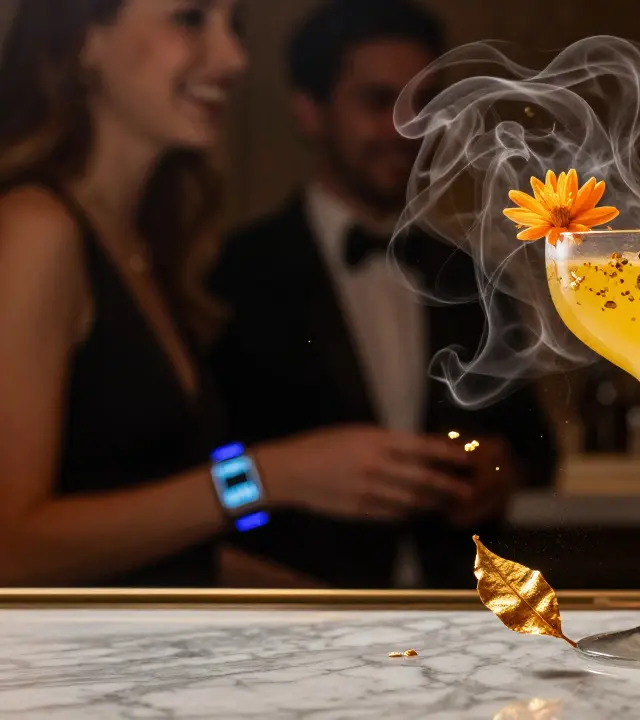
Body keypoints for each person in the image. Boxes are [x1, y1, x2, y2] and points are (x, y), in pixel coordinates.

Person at [0, 0, 476, 588]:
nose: (233, 58)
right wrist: (271, 475)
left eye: (235, 28)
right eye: (191, 20)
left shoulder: (146, 246)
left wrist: (338, 614)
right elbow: (11, 546)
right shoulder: (37, 228)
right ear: (83, 42)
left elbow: (166, 552)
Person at [209, 0, 556, 589]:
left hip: (458, 613)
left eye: (425, 106)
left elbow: (536, 451)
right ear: (309, 112)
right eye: (378, 103)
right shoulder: (233, 274)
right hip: (293, 617)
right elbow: (202, 475)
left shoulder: (472, 276)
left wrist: (499, 471)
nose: (408, 130)